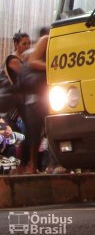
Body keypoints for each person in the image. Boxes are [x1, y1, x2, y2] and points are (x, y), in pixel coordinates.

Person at [18, 33, 48, 174]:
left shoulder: (28, 53)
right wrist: (53, 67)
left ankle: (32, 166)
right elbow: (33, 63)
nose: (27, 46)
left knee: (34, 135)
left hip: (32, 98)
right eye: (24, 43)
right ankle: (33, 166)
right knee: (39, 134)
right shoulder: (46, 40)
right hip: (39, 97)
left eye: (28, 43)